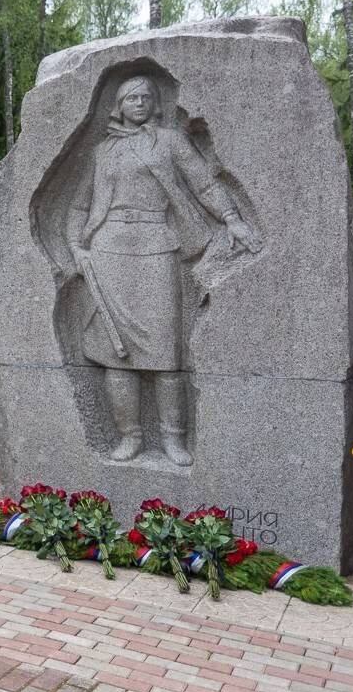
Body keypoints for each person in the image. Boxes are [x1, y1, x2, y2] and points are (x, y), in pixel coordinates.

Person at [71, 75, 260, 467]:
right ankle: (130, 437)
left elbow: (204, 184)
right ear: (119, 105)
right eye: (131, 97)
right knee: (114, 354)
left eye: (146, 97)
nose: (139, 102)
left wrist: (231, 218)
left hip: (157, 245)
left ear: (155, 104)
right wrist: (76, 243)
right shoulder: (103, 151)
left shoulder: (171, 140)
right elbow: (80, 206)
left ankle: (174, 439)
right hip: (107, 251)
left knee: (164, 351)